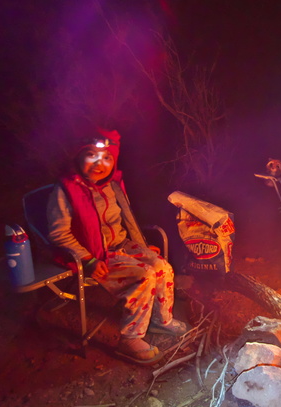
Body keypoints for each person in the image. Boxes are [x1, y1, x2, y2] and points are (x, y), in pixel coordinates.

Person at [47, 129, 187, 365]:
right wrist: (88, 261)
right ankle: (129, 339)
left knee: (161, 266)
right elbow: (58, 233)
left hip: (120, 245)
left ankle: (160, 321)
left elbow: (128, 219)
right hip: (94, 256)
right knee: (144, 276)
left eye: (107, 158)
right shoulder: (66, 190)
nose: (99, 164)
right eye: (91, 156)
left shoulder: (113, 185)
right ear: (79, 157)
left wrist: (142, 247)